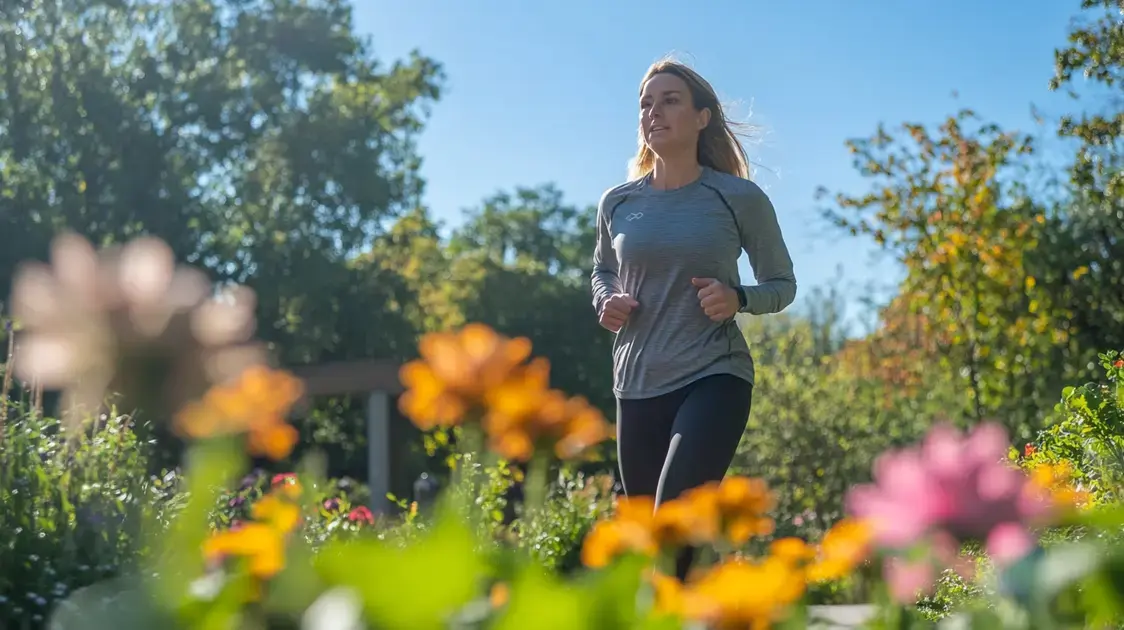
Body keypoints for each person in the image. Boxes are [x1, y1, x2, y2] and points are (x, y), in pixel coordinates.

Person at [590, 58, 798, 580]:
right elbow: (602, 270)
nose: (653, 111)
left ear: (702, 117)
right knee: (657, 547)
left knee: (675, 525)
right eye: (645, 103)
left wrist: (737, 298)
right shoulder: (618, 203)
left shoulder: (737, 198)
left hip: (713, 375)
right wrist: (606, 299)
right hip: (635, 384)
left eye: (670, 100)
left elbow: (782, 284)